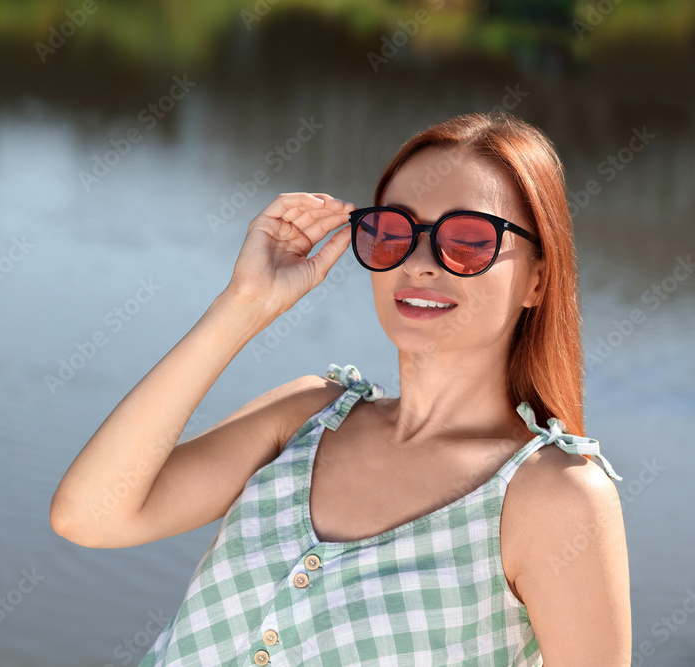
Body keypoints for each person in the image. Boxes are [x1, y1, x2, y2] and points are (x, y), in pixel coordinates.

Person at [49, 111, 631, 665]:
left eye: (469, 240)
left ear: (536, 278)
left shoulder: (557, 498)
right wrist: (244, 306)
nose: (420, 262)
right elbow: (90, 516)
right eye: (395, 231)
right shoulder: (305, 417)